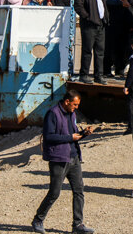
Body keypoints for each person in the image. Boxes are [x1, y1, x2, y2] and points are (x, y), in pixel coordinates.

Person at [32, 90, 95, 234]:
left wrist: (83, 134)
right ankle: (38, 220)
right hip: (58, 159)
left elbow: (73, 136)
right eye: (75, 104)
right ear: (67, 102)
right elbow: (49, 137)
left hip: (74, 157)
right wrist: (69, 137)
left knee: (79, 191)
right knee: (54, 193)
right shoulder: (53, 113)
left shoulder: (71, 113)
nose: (76, 107)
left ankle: (78, 225)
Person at [74, 0, 109, 85]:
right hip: (89, 25)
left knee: (100, 51)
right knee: (87, 50)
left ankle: (98, 75)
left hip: (100, 24)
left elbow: (102, 4)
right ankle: (84, 74)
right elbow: (78, 6)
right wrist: (88, 17)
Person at [101, 0, 133, 78]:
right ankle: (106, 69)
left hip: (124, 21)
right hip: (111, 20)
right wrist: (120, 0)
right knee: (110, 46)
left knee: (123, 46)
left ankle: (120, 68)